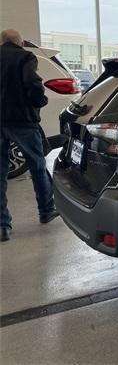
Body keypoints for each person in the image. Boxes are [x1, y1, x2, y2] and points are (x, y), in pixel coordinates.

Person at [0, 29, 58, 242]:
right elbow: (33, 84)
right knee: (37, 164)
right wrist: (40, 102)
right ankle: (46, 210)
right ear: (20, 42)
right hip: (22, 120)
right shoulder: (25, 57)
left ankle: (2, 226)